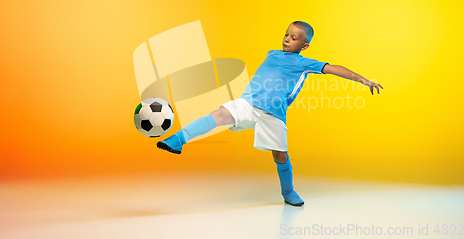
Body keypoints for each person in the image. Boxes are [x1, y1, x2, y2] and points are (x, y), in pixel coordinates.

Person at [157, 21, 384, 206]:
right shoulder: (271, 54)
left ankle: (288, 192)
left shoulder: (304, 63)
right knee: (218, 115)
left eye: (294, 38)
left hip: (273, 115)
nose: (287, 39)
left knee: (280, 156)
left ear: (304, 46)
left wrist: (363, 80)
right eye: (287, 34)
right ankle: (177, 139)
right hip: (248, 103)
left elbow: (333, 68)